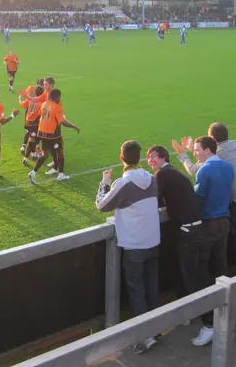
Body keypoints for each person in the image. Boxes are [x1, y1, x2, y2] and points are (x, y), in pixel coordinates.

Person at [175, 123, 236, 295]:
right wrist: (196, 148)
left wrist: (184, 154)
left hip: (214, 218)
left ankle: (217, 298)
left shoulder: (208, 168)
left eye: (198, 151)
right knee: (231, 254)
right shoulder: (232, 155)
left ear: (209, 149)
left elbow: (198, 193)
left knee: (207, 260)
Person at [96, 140, 161, 355]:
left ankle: (145, 337)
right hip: (153, 241)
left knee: (137, 291)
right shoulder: (151, 179)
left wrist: (105, 182)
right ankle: (156, 329)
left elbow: (101, 205)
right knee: (151, 287)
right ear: (140, 157)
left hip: (135, 245)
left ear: (122, 158)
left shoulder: (123, 184)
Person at [189, 136, 233, 346]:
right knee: (220, 268)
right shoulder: (228, 167)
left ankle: (209, 324)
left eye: (197, 150)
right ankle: (224, 315)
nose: (195, 153)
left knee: (201, 271)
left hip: (209, 225)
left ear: (207, 150)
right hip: (224, 222)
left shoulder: (205, 170)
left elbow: (197, 199)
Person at [147, 145, 205, 304]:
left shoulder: (161, 174)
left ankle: (204, 318)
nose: (150, 160)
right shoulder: (173, 172)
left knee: (188, 275)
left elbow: (155, 200)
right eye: (148, 158)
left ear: (163, 158)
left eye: (153, 156)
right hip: (196, 227)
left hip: (187, 230)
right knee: (193, 273)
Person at [28, 89, 79, 184]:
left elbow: (40, 115)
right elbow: (63, 122)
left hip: (42, 133)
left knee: (45, 154)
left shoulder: (44, 104)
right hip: (53, 135)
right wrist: (74, 126)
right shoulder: (57, 107)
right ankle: (61, 175)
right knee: (60, 153)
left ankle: (33, 172)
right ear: (57, 97)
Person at [19, 79, 44, 155]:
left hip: (29, 111)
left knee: (30, 131)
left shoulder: (30, 88)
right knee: (35, 132)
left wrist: (20, 99)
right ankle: (33, 151)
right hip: (34, 113)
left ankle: (25, 146)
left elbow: (26, 99)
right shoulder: (41, 92)